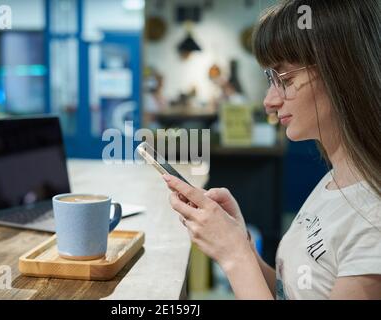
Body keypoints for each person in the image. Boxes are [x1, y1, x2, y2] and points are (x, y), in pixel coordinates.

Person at [163, 0, 380, 299]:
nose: (269, 101)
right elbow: (291, 292)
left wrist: (234, 256)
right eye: (271, 79)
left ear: (342, 73)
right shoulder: (336, 180)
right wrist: (242, 245)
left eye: (286, 79)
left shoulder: (374, 217)